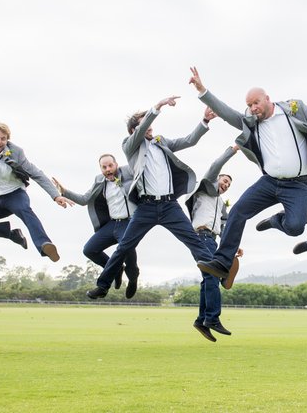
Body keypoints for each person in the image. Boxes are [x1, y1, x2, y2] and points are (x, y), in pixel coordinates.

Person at [189, 67, 307, 280]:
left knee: (296, 227)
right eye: (249, 105)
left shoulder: (295, 109)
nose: (253, 108)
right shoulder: (251, 122)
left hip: (297, 185)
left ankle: (276, 221)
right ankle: (221, 261)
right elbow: (228, 113)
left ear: (267, 98)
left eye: (256, 103)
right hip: (268, 182)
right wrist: (202, 91)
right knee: (238, 211)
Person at [85, 99, 216, 307]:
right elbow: (142, 128)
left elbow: (189, 140)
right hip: (146, 207)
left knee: (192, 239)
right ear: (134, 130)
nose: (150, 126)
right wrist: (157, 107)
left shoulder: (161, 141)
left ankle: (215, 267)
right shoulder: (130, 146)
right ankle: (103, 286)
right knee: (124, 246)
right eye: (144, 123)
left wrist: (204, 121)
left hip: (169, 205)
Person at [0, 122, 72, 262]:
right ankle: (11, 234)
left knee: (25, 211)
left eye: (3, 138)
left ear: (7, 140)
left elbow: (36, 173)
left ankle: (44, 244)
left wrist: (55, 196)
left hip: (15, 195)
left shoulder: (16, 152)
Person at [53, 154, 140, 299]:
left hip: (128, 222)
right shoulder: (99, 181)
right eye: (104, 167)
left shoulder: (127, 173)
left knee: (128, 254)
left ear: (116, 164)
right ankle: (117, 269)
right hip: (112, 223)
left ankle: (131, 278)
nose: (108, 169)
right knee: (89, 249)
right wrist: (64, 192)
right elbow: (84, 200)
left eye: (110, 165)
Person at [184, 145, 240, 341]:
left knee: (208, 279)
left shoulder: (220, 204)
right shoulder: (205, 188)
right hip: (200, 236)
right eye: (225, 181)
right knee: (212, 277)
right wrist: (232, 150)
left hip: (212, 240)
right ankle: (212, 319)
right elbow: (216, 164)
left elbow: (225, 229)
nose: (226, 185)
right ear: (217, 179)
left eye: (228, 185)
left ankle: (202, 320)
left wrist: (232, 248)